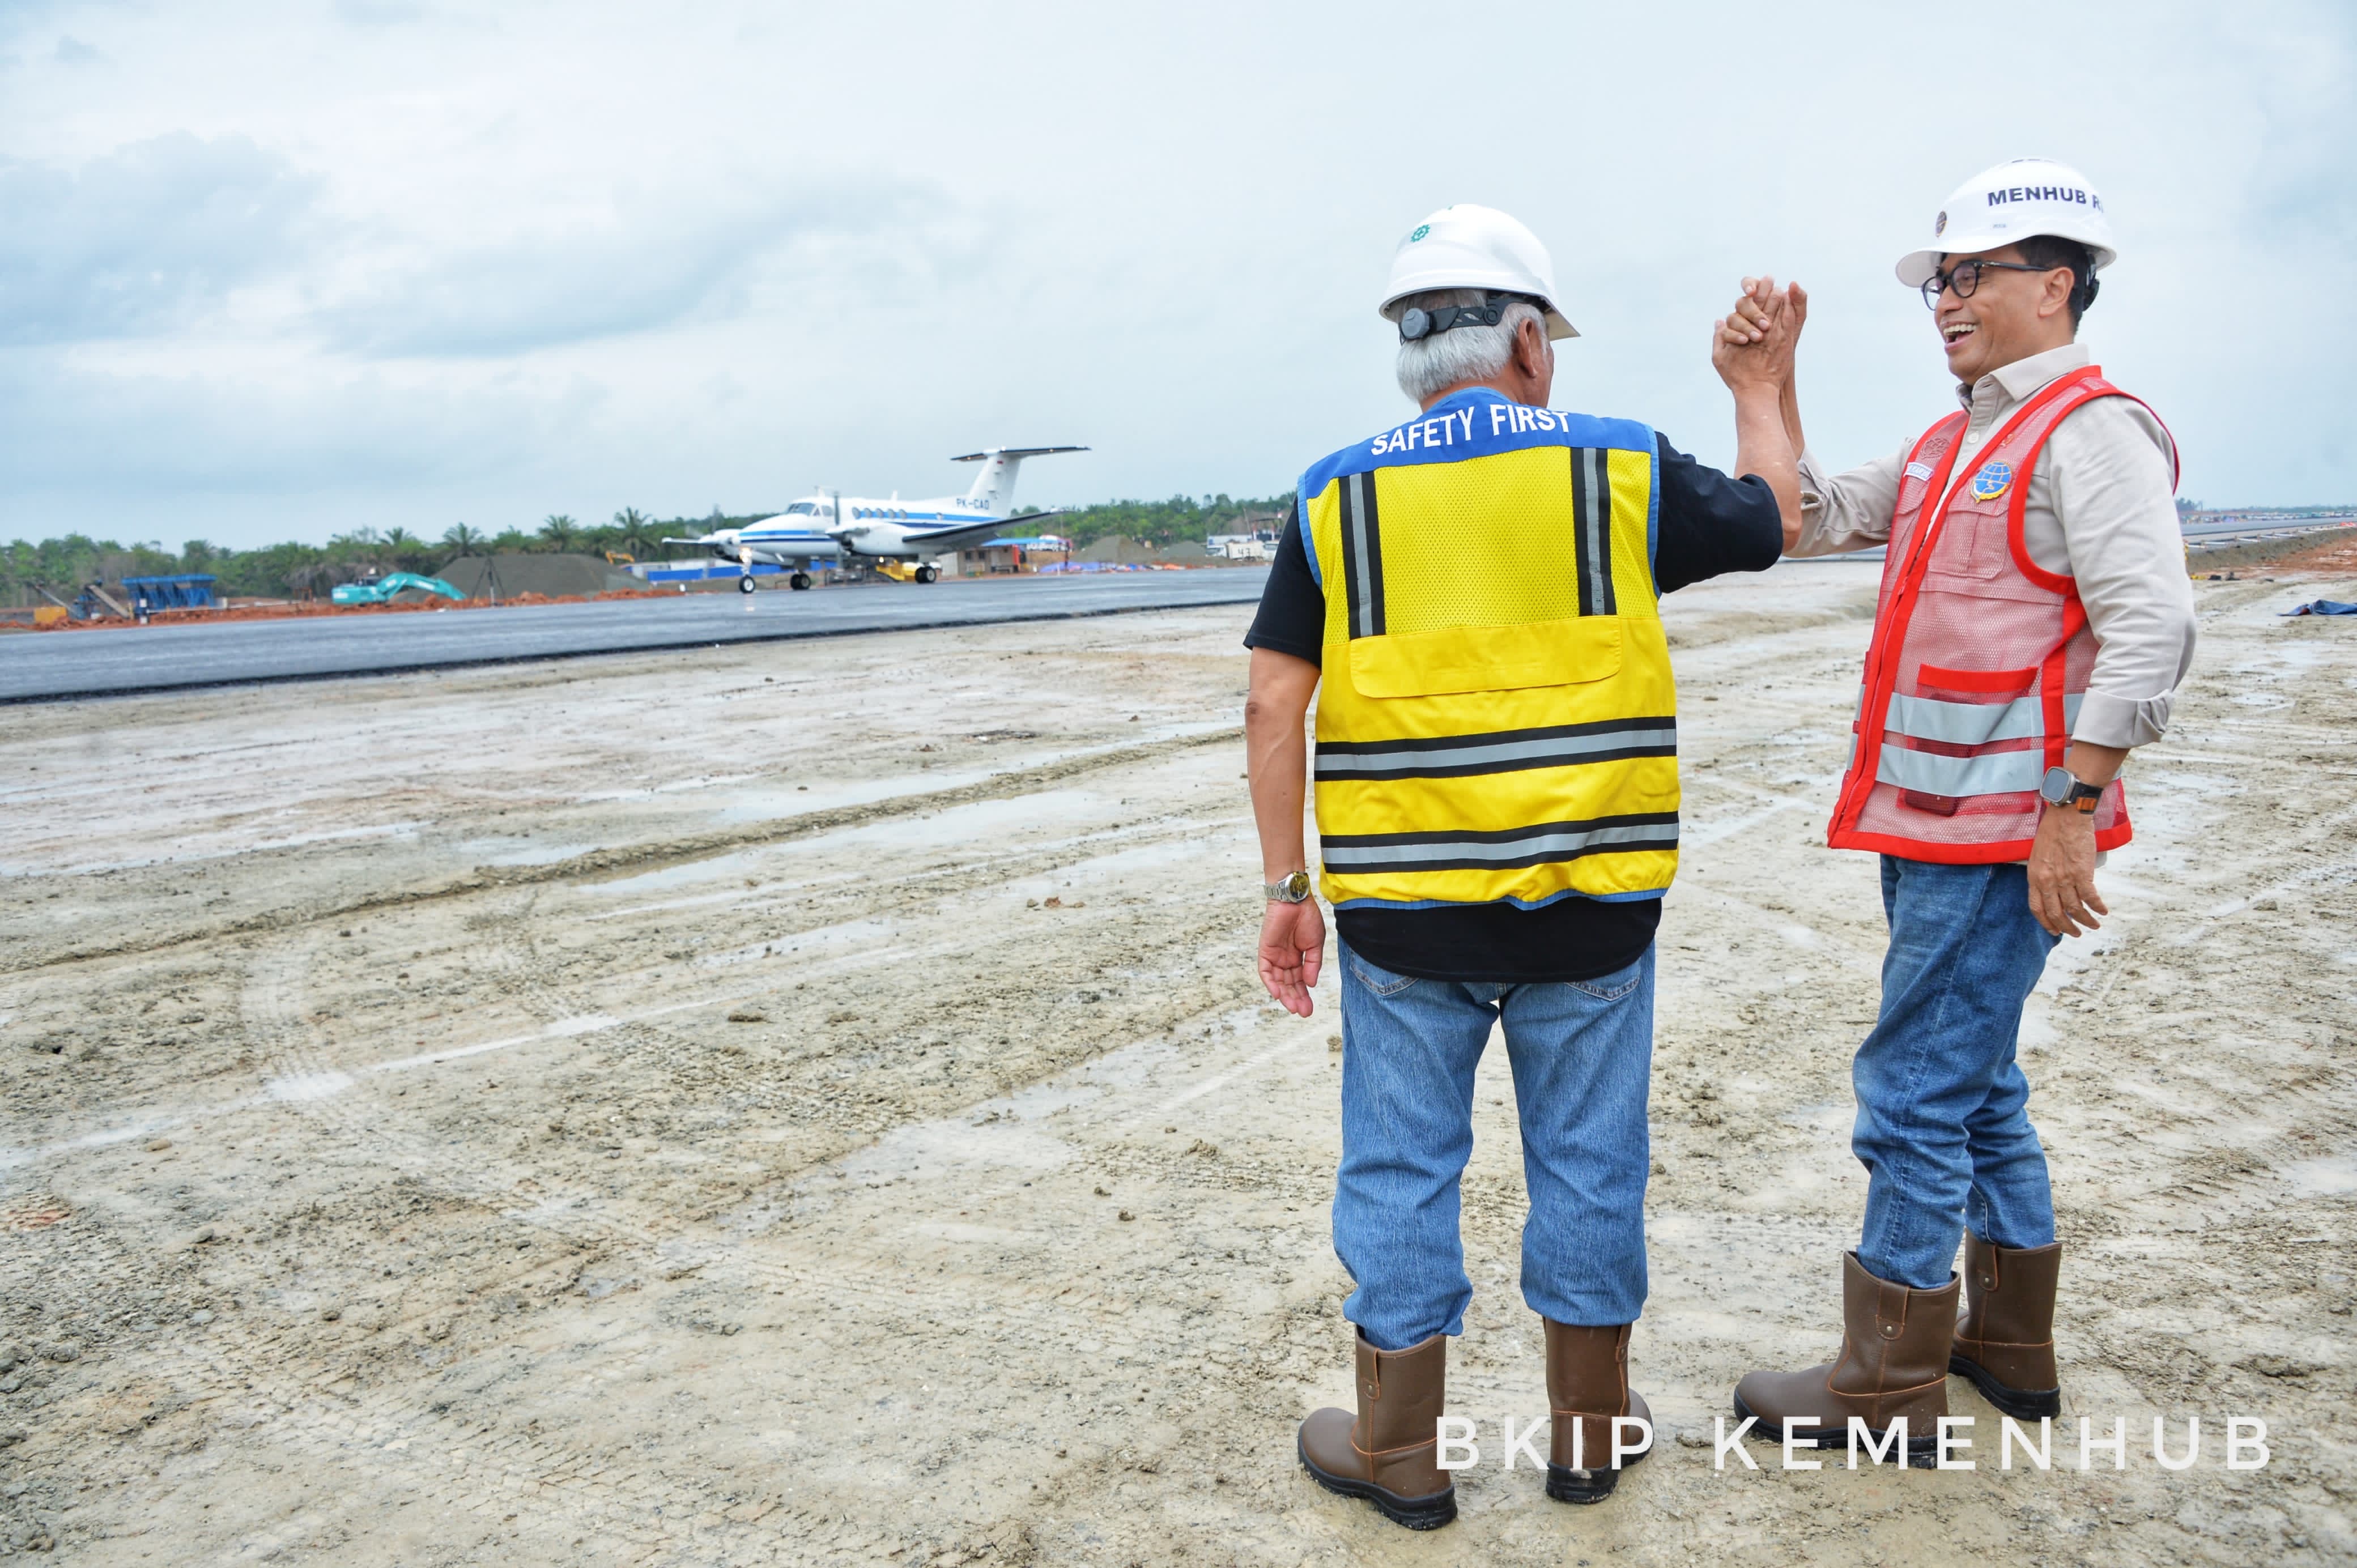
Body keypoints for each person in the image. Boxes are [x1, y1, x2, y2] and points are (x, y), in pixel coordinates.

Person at [1243, 203, 1799, 1528]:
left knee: (1397, 1170)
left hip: (1403, 917)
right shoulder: (1613, 466)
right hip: (1591, 915)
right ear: (1531, 343)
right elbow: (1775, 517)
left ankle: (1398, 1451)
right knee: (1591, 1163)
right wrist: (1762, 389)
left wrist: (1286, 891)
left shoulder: (1336, 493)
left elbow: (1276, 699)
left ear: (1407, 351)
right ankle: (1589, 1435)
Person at [1714, 159, 2196, 1461]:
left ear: (2057, 285)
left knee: (1914, 1090)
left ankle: (1885, 1387)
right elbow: (1807, 518)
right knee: (1975, 1089)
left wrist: (2071, 807)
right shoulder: (1955, 439)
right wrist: (1766, 392)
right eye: (1938, 279)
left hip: (2000, 832)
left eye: (1970, 274)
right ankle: (2006, 1347)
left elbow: (2155, 626)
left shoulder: (2088, 429)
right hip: (1935, 826)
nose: (1945, 298)